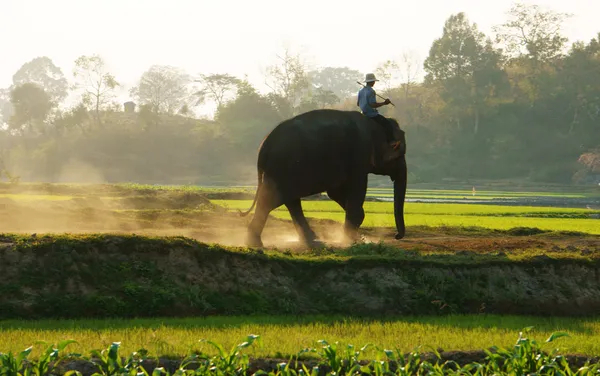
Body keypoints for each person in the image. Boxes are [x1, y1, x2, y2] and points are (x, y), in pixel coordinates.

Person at [357, 73, 401, 151]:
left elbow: (358, 104)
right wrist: (384, 103)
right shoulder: (371, 91)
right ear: (371, 82)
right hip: (371, 115)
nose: (374, 83)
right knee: (387, 124)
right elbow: (373, 105)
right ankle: (392, 142)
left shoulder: (361, 91)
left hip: (363, 114)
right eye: (373, 81)